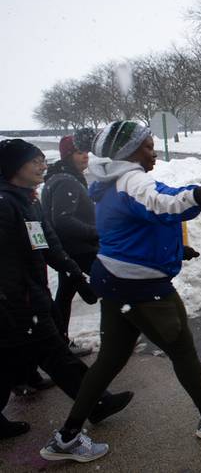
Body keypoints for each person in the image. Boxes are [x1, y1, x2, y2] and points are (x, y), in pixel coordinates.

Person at [40, 121, 201, 463]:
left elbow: (139, 220)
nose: (153, 153)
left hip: (114, 279)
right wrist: (198, 195)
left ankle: (67, 437)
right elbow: (159, 203)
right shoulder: (132, 180)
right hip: (141, 285)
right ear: (128, 152)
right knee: (182, 349)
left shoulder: (112, 181)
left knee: (110, 359)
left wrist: (177, 239)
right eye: (148, 147)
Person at [0, 139, 133, 441]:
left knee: (14, 357)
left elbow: (46, 243)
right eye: (33, 161)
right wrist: (14, 300)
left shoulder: (27, 200)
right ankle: (97, 402)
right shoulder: (5, 204)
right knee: (55, 352)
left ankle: (96, 401)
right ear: (13, 167)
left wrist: (73, 272)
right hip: (17, 300)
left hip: (29, 294)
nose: (41, 165)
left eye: (41, 159)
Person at [41, 129, 98, 356]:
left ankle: (59, 344)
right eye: (77, 152)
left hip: (69, 250)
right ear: (67, 156)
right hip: (79, 249)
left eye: (85, 151)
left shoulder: (61, 178)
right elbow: (63, 221)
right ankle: (119, 336)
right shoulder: (66, 182)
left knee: (64, 295)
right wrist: (96, 232)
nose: (85, 155)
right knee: (115, 284)